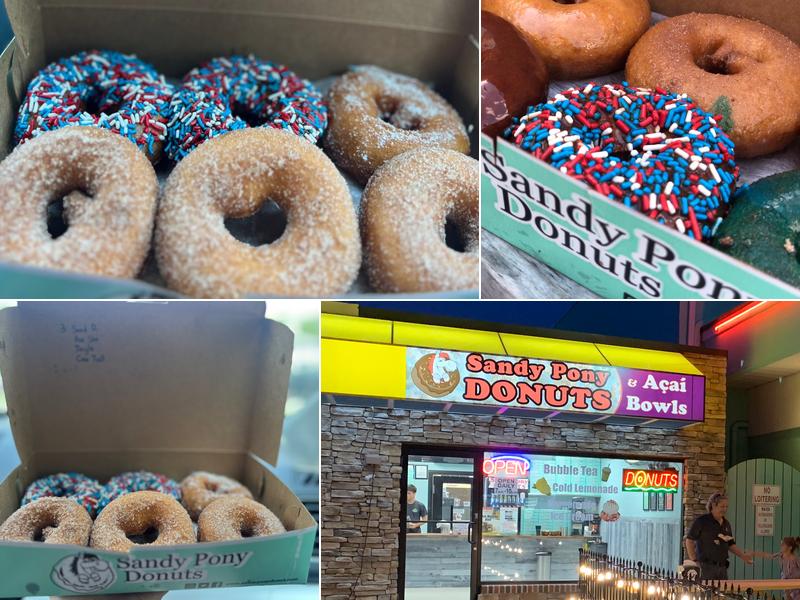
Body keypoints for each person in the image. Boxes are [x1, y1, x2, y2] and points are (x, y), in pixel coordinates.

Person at [684, 492, 752, 580]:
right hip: (705, 566)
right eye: (722, 506)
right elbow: (689, 540)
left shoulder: (726, 524)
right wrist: (694, 561)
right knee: (706, 592)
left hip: (722, 567)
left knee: (723, 593)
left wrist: (743, 556)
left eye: (726, 506)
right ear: (713, 505)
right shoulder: (702, 521)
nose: (725, 509)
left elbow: (731, 544)